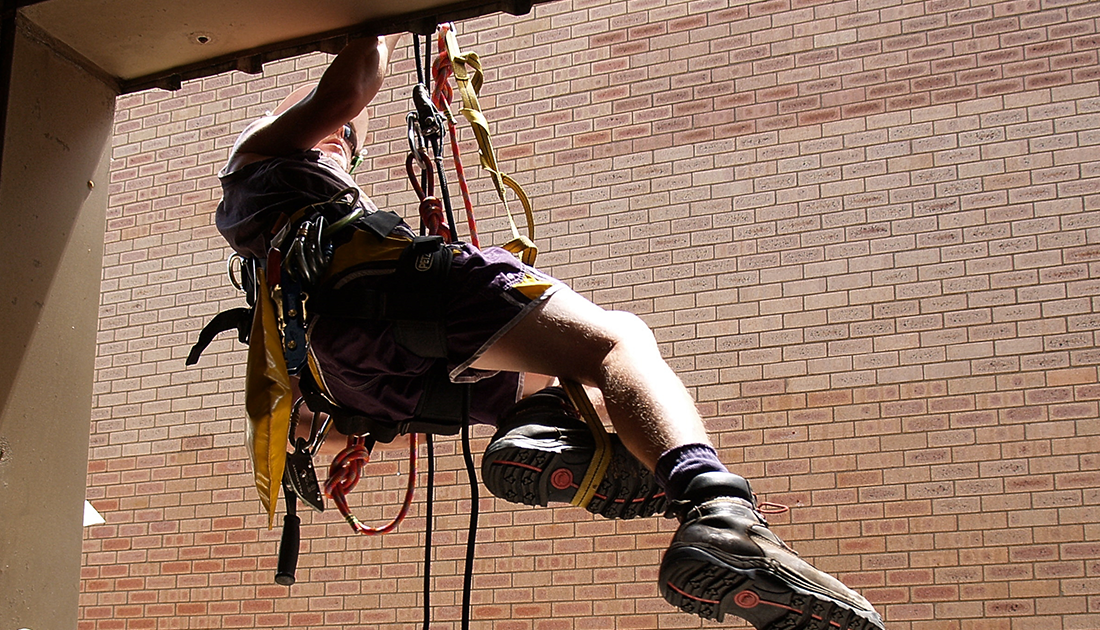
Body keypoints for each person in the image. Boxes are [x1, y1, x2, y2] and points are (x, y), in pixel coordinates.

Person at [214, 33, 885, 630]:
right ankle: (720, 511)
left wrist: (320, 434)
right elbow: (354, 80)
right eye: (341, 138)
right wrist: (393, 25)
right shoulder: (258, 157)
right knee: (616, 343)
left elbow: (299, 399)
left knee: (581, 392)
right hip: (391, 295)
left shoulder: (267, 247)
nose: (350, 140)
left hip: (357, 374)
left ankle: (555, 431)